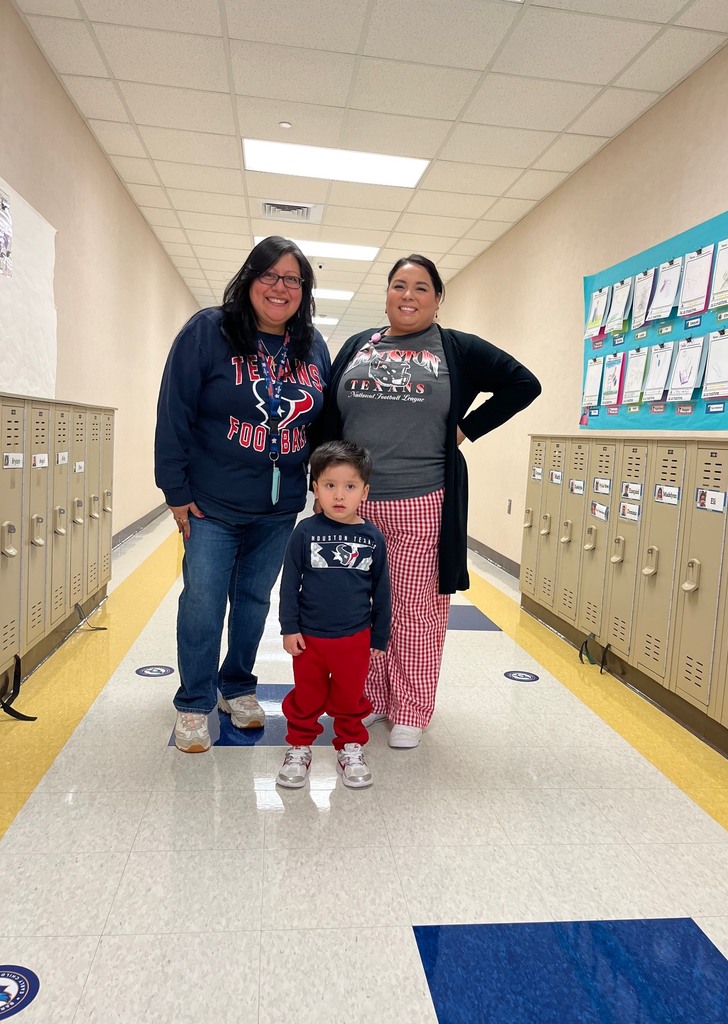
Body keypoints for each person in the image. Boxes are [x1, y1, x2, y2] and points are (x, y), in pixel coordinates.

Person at [322, 254, 540, 748]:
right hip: (354, 505)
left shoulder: (455, 348)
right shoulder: (359, 345)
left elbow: (524, 383)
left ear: (439, 299)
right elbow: (331, 418)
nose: (409, 296)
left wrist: (467, 428)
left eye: (422, 288)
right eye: (399, 285)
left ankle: (412, 708)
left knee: (417, 609)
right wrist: (325, 485)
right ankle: (371, 698)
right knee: (363, 607)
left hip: (422, 500)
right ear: (386, 295)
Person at [155, 236, 331, 753]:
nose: (280, 288)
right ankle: (193, 703)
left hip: (278, 508)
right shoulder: (208, 331)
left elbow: (321, 424)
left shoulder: (311, 344)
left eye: (293, 279)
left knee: (254, 602)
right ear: (248, 278)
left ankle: (237, 687)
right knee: (204, 603)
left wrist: (320, 486)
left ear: (304, 290)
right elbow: (174, 411)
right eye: (269, 275)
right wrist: (175, 490)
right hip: (211, 502)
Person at [277, 441, 391, 788]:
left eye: (350, 486)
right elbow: (289, 583)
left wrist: (379, 636)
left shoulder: (371, 537)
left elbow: (382, 590)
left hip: (354, 638)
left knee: (349, 697)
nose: (339, 495)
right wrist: (289, 627)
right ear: (316, 488)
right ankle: (299, 747)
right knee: (307, 696)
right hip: (309, 637)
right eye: (329, 485)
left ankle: (350, 747)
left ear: (364, 492)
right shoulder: (305, 532)